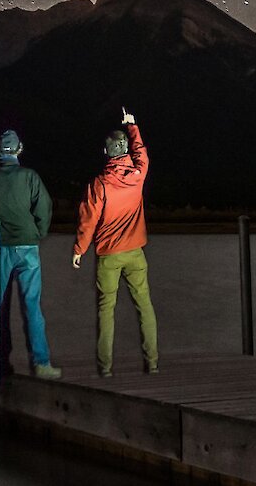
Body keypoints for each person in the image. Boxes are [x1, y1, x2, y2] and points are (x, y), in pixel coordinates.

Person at [0, 129, 62, 380]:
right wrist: (37, 232)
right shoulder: (30, 176)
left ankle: (0, 363)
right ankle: (41, 364)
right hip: (28, 247)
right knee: (32, 306)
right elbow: (44, 206)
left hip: (0, 248)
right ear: (19, 149)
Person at [72, 108, 158, 377]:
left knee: (106, 310)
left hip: (109, 255)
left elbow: (88, 221)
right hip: (135, 253)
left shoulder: (99, 184)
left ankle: (105, 369)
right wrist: (132, 126)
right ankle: (152, 364)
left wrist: (79, 250)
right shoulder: (138, 175)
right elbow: (142, 153)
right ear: (125, 152)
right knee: (144, 305)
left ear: (106, 152)